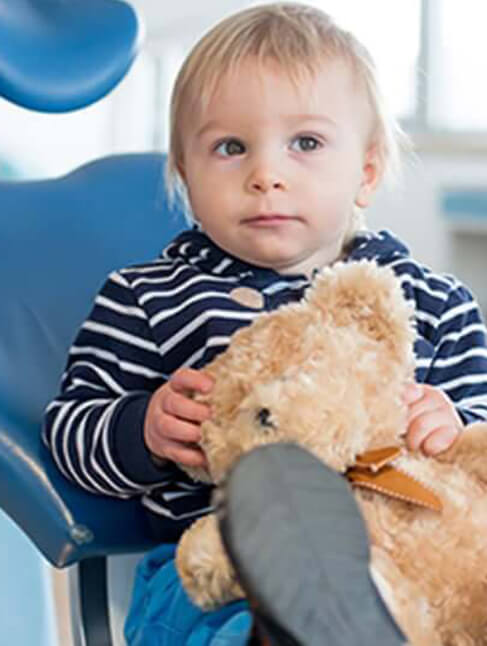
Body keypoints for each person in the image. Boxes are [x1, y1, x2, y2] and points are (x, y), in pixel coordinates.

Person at [42, 3, 487, 644]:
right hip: (218, 568)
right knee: (220, 616)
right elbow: (69, 434)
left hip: (410, 566)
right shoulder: (148, 298)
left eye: (305, 143)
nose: (266, 176)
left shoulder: (429, 304)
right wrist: (143, 428)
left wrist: (448, 424)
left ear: (366, 170)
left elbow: (476, 451)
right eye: (230, 148)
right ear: (185, 175)